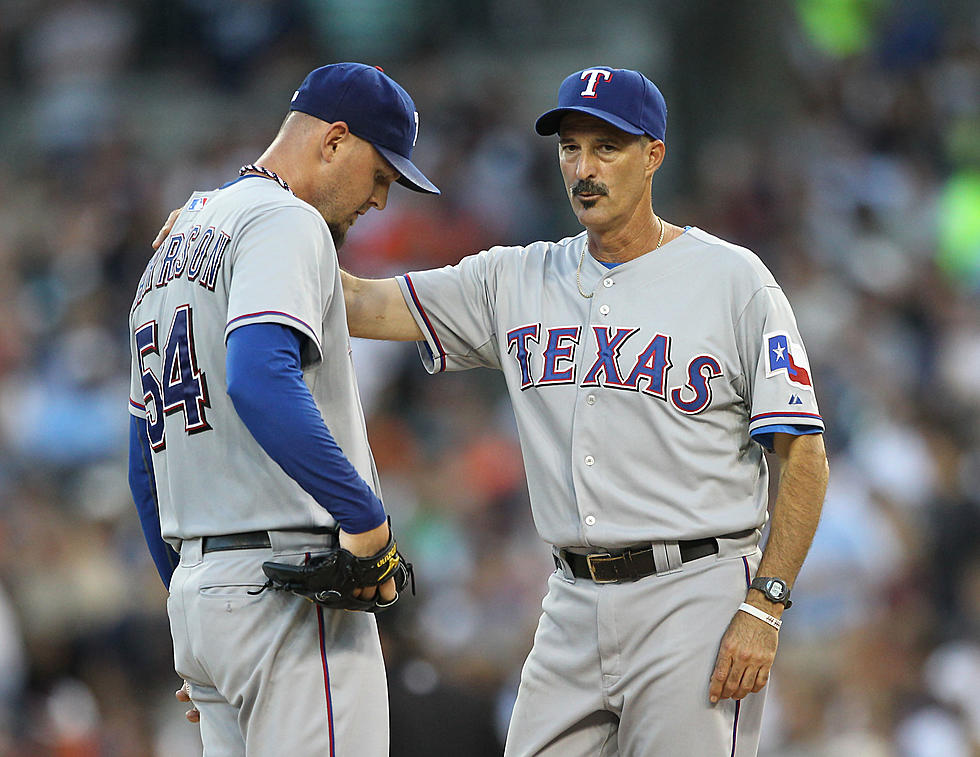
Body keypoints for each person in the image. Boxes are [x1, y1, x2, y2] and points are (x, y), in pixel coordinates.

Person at [340, 66, 830, 755]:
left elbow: (802, 454)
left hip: (696, 593)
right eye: (571, 147)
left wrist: (766, 603)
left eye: (607, 147)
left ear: (654, 154)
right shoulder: (515, 277)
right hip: (572, 598)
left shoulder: (734, 280)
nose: (584, 168)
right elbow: (360, 302)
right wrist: (250, 224)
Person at [128, 62, 438, 756]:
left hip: (202, 594)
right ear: (334, 141)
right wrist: (367, 521)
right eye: (382, 175)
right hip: (292, 594)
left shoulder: (170, 248)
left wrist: (193, 604)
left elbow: (142, 467)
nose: (382, 202)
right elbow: (261, 381)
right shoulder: (284, 218)